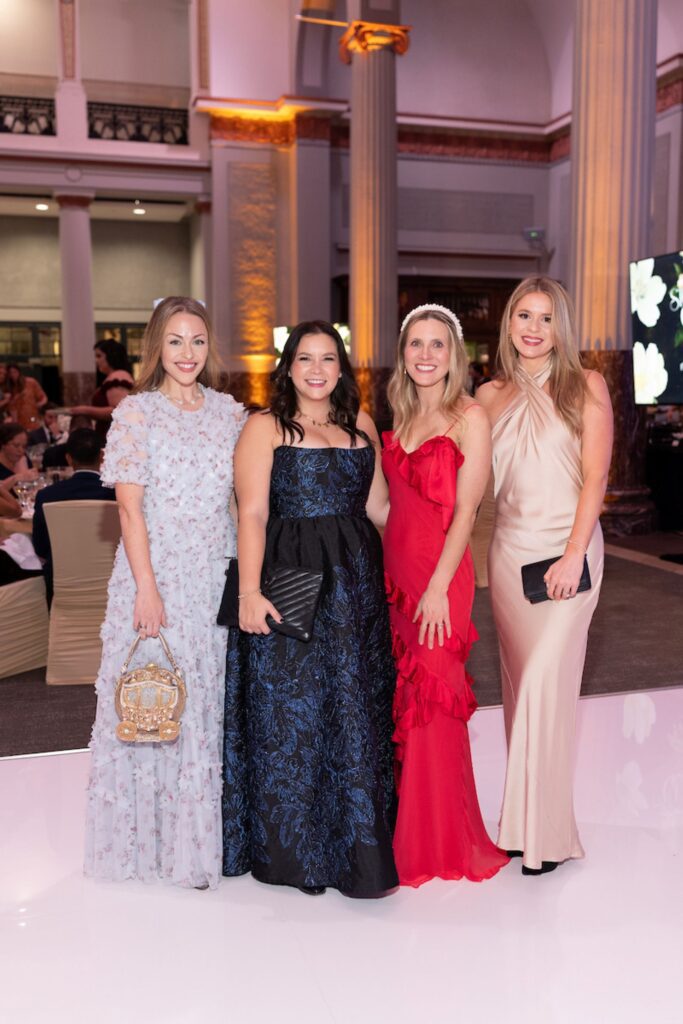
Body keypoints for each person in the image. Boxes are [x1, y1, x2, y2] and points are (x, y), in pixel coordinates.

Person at [223, 320, 398, 897]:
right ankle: (299, 854)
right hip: (292, 575)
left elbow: (379, 510)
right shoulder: (264, 427)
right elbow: (250, 514)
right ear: (288, 367)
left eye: (329, 359)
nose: (318, 370)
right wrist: (249, 593)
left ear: (342, 369)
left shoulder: (361, 425)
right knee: (294, 715)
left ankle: (355, 845)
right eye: (305, 359)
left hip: (356, 586)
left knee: (352, 705)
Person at [84, 297, 246, 889]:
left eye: (197, 341)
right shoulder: (136, 414)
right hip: (153, 577)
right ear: (158, 347)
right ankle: (146, 846)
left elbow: (243, 504)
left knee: (200, 703)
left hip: (213, 579)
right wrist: (147, 590)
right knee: (148, 702)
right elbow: (129, 508)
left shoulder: (231, 414)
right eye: (175, 341)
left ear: (210, 346)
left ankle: (194, 846)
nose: (187, 353)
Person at [477, 276, 613, 876]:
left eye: (545, 318)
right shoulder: (486, 397)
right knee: (519, 689)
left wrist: (573, 553)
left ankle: (548, 834)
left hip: (569, 551)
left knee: (544, 686)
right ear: (508, 324)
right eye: (523, 316)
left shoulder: (586, 385)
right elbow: (467, 486)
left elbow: (596, 479)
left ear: (561, 327)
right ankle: (522, 823)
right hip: (509, 558)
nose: (533, 329)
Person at [382, 304, 509, 887]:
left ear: (453, 355)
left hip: (441, 579)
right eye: (416, 344)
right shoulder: (402, 416)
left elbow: (467, 512)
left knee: (435, 696)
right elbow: (387, 509)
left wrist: (437, 589)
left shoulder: (470, 416)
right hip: (396, 576)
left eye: (437, 345)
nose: (426, 355)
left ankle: (438, 844)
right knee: (408, 699)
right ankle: (414, 829)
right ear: (403, 354)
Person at [32, 427, 115, 605]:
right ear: (102, 456)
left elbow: (40, 548)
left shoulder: (46, 496)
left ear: (69, 458)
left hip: (60, 586)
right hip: (113, 584)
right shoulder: (116, 495)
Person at [70, 339, 135, 436]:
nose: (96, 361)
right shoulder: (115, 376)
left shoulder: (118, 376)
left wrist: (84, 410)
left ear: (111, 356)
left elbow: (118, 411)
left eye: (99, 356)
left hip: (114, 438)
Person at [5, 364, 48, 430]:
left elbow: (43, 398)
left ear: (19, 372)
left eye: (14, 372)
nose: (13, 375)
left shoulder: (30, 382)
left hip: (32, 417)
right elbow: (11, 407)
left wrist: (38, 405)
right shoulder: (9, 387)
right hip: (18, 421)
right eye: (10, 373)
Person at [0, 423, 37, 489]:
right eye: (16, 446)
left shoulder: (24, 459)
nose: (21, 450)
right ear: (3, 444)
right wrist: (16, 478)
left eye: (24, 446)